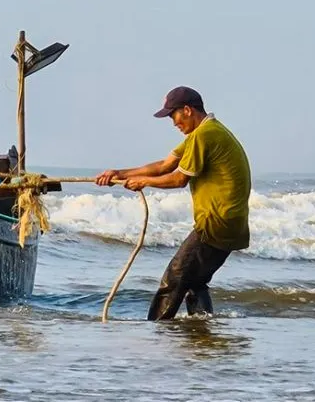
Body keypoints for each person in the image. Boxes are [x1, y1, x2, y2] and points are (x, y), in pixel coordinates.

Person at [96, 86, 251, 320]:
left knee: (174, 278)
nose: (173, 123)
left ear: (187, 110)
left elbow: (179, 178)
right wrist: (120, 173)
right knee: (194, 282)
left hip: (215, 222)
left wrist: (143, 182)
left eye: (173, 115)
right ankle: (202, 331)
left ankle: (154, 330)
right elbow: (165, 165)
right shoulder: (207, 132)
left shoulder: (204, 135)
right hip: (232, 224)